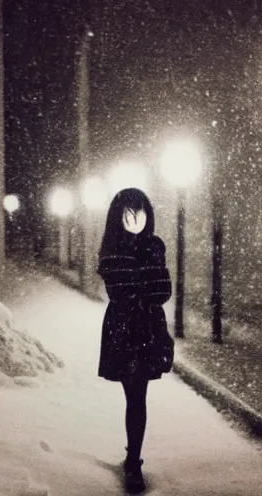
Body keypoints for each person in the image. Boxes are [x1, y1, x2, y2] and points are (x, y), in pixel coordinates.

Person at [97, 187, 174, 494]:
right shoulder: (113, 248)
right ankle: (133, 463)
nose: (135, 218)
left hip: (149, 327)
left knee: (138, 396)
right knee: (134, 395)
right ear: (119, 216)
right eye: (128, 213)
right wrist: (143, 284)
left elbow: (162, 291)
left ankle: (133, 461)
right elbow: (121, 290)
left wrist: (145, 274)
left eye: (140, 212)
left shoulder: (154, 246)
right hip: (124, 328)